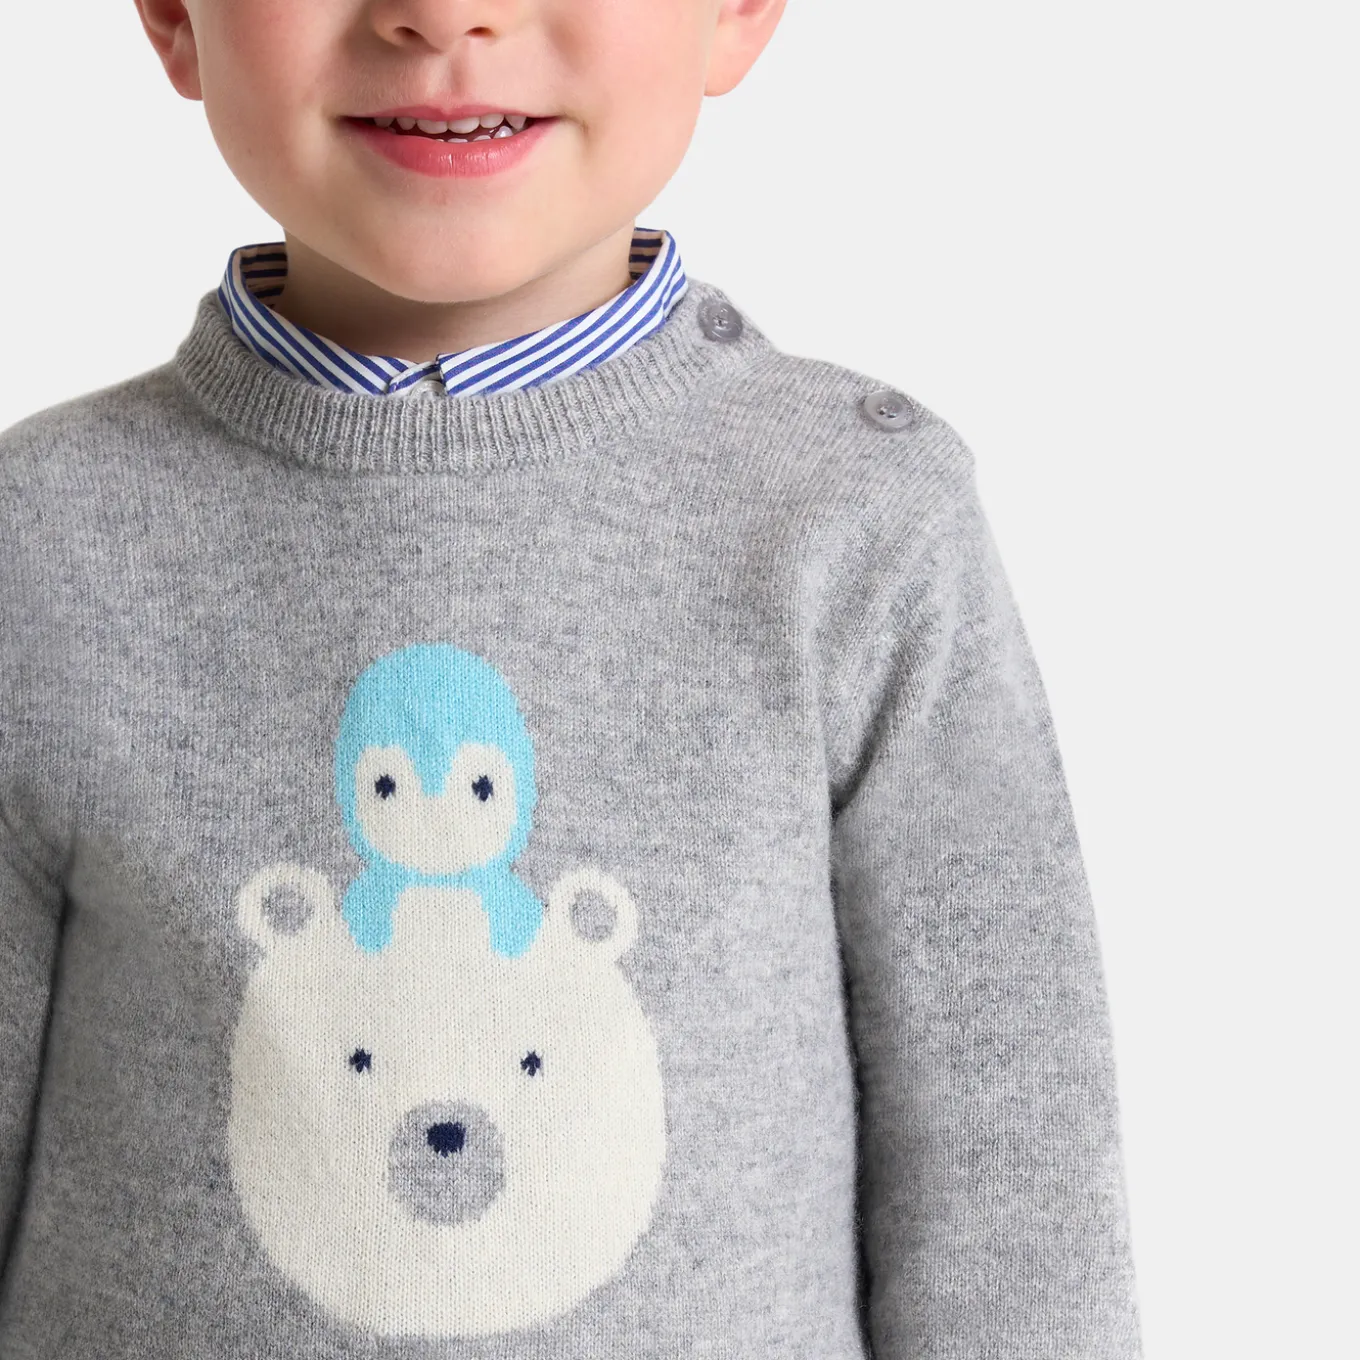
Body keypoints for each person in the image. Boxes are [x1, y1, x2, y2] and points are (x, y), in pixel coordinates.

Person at [0, 0, 1143, 1356]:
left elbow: (1015, 1196)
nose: (444, 14)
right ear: (170, 14)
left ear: (738, 10)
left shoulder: (860, 530)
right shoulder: (40, 541)